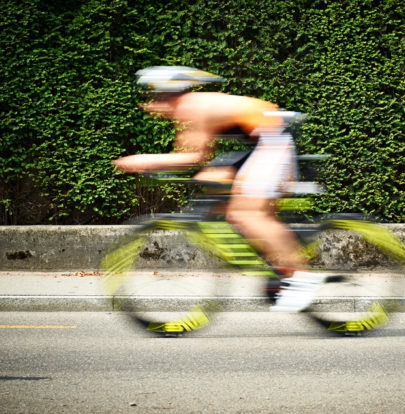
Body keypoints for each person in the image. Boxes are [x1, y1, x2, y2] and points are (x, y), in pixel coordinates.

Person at [113, 66, 326, 312]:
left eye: (152, 99)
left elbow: (193, 157)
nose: (149, 106)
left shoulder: (190, 107)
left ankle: (302, 277)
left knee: (247, 215)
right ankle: (278, 264)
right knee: (213, 181)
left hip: (273, 140)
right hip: (260, 141)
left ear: (166, 96)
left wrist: (143, 160)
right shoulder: (191, 107)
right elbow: (203, 158)